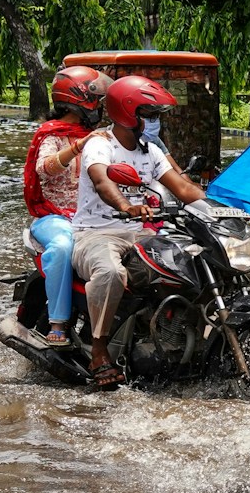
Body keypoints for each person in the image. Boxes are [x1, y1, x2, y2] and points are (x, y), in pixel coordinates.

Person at [71, 74, 206, 390]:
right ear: (127, 113)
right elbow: (103, 181)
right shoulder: (100, 144)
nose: (155, 122)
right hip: (96, 233)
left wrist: (225, 207)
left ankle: (171, 337)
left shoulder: (151, 151)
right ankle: (100, 351)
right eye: (150, 115)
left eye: (157, 116)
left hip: (140, 232)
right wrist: (127, 205)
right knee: (110, 274)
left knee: (190, 262)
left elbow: (184, 188)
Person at [23, 65, 110, 347]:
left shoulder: (102, 135)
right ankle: (58, 321)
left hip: (96, 215)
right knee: (62, 246)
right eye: (96, 99)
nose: (99, 106)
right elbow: (45, 168)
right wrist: (77, 146)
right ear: (78, 99)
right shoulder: (52, 135)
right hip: (55, 216)